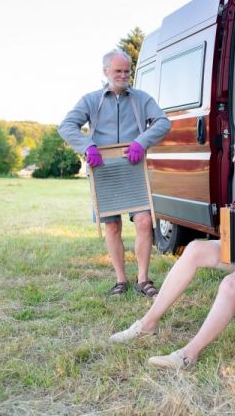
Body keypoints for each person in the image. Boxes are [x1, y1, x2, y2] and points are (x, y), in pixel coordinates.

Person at [109, 132, 235, 369]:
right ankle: (148, 324)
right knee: (195, 248)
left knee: (229, 285)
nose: (234, 159)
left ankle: (188, 354)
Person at [58, 49, 171, 298]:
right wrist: (87, 146)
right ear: (106, 71)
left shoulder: (142, 98)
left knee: (143, 222)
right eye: (118, 71)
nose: (123, 75)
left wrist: (142, 142)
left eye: (127, 71)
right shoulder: (90, 100)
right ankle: (121, 280)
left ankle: (143, 279)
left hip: (133, 169)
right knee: (112, 227)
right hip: (103, 170)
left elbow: (163, 122)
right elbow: (66, 126)